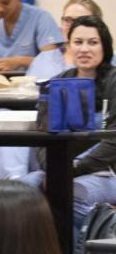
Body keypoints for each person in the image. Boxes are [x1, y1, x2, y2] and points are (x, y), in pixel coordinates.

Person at [28, 16, 116, 242]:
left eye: (92, 42)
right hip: (62, 169)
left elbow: (113, 142)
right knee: (24, 188)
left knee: (71, 193)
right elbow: (43, 136)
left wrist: (69, 171)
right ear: (68, 46)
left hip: (106, 172)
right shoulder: (56, 83)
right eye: (78, 42)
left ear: (104, 46)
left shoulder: (114, 82)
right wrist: (55, 168)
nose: (84, 49)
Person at [25, 0, 103, 81]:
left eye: (81, 21)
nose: (72, 26)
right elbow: (27, 91)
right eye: (67, 20)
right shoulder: (43, 59)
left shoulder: (108, 61)